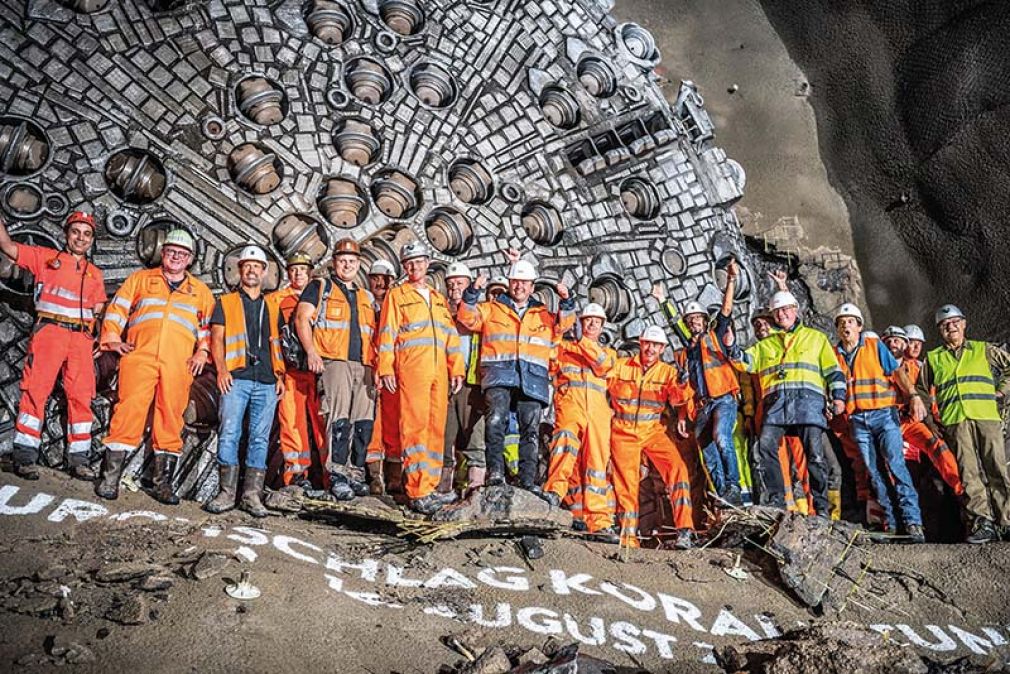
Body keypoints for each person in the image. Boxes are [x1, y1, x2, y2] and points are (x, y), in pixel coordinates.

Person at [96, 229, 214, 503]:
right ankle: (110, 478)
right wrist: (113, 339)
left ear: (190, 259)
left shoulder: (201, 292)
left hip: (178, 363)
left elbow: (206, 328)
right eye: (172, 251)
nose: (176, 257)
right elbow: (117, 309)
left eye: (182, 254)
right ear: (163, 253)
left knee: (171, 417)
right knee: (127, 411)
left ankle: (163, 484)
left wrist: (203, 352)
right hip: (140, 356)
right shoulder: (140, 279)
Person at [0, 211, 106, 480]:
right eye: (76, 232)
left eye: (86, 234)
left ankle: (79, 460)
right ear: (66, 234)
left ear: (91, 240)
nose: (80, 238)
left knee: (81, 397)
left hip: (80, 339)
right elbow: (8, 247)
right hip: (50, 332)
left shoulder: (95, 273)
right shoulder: (45, 258)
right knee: (35, 390)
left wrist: (95, 336)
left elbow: (98, 307)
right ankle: (25, 457)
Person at [457, 255, 575, 491]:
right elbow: (467, 318)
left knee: (529, 431)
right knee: (496, 422)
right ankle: (495, 473)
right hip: (500, 375)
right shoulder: (492, 309)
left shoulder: (543, 314)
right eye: (515, 282)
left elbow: (564, 325)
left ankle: (527, 479)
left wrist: (566, 300)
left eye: (524, 283)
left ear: (532, 287)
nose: (519, 286)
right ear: (510, 283)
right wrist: (473, 291)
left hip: (532, 380)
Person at [731, 290, 846, 515]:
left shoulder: (816, 338)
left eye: (785, 310)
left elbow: (834, 372)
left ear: (795, 310)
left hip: (809, 406)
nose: (782, 314)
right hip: (777, 407)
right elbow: (744, 362)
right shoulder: (765, 345)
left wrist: (839, 398)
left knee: (815, 457)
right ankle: (776, 503)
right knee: (765, 448)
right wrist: (730, 345)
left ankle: (821, 508)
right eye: (777, 312)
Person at [376, 242, 463, 514]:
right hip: (412, 370)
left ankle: (432, 486)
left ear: (428, 263)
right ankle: (417, 489)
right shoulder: (397, 295)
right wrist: (386, 367)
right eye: (409, 263)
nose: (415, 267)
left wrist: (456, 368)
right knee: (414, 428)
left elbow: (451, 337)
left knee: (436, 428)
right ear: (405, 267)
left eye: (419, 261)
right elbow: (387, 333)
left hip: (438, 372)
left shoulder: (438, 299)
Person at [912, 305, 1010, 544]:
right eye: (945, 325)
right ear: (939, 331)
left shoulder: (983, 350)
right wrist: (930, 420)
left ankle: (1006, 521)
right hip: (955, 421)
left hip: (986, 416)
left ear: (964, 324)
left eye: (955, 322)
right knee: (968, 473)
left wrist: (1001, 393)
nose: (951, 327)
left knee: (996, 466)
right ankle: (982, 522)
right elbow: (921, 390)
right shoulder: (933, 358)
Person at [654, 259, 743, 505]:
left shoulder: (714, 337)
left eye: (697, 318)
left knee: (721, 437)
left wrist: (731, 279)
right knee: (708, 452)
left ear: (705, 320)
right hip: (702, 406)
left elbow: (726, 310)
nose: (694, 322)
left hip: (724, 399)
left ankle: (734, 486)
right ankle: (723, 493)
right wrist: (662, 301)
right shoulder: (687, 351)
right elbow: (675, 326)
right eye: (690, 319)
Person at [205, 246, 285, 517]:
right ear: (239, 270)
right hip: (236, 379)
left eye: (256, 266)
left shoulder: (272, 307)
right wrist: (222, 371)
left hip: (266, 381)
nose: (251, 271)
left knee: (260, 438)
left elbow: (278, 344)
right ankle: (226, 493)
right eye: (246, 266)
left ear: (264, 272)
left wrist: (280, 375)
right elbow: (216, 339)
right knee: (229, 433)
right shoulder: (226, 302)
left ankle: (252, 495)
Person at [295, 238, 377, 501]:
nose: (348, 265)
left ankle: (356, 473)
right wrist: (311, 351)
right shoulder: (321, 287)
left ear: (359, 263)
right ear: (334, 263)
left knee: (363, 423)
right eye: (342, 260)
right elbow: (302, 318)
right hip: (335, 362)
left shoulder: (366, 296)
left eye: (352, 261)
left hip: (364, 364)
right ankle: (338, 475)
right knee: (339, 420)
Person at [833, 306, 924, 542]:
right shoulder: (834, 355)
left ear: (859, 326)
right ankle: (891, 524)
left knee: (896, 465)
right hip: (858, 420)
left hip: (884, 415)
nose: (846, 326)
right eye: (842, 323)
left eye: (851, 321)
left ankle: (913, 522)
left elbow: (897, 373)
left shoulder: (874, 347)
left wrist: (913, 397)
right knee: (874, 472)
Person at [609, 326, 695, 549]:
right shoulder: (622, 366)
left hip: (652, 430)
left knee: (678, 469)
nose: (650, 348)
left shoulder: (667, 372)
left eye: (656, 345)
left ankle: (685, 530)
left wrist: (683, 383)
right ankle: (628, 539)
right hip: (623, 431)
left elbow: (678, 399)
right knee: (626, 485)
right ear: (640, 342)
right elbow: (603, 380)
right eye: (647, 343)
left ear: (662, 348)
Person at [542, 303, 619, 542]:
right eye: (588, 320)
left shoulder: (608, 353)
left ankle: (599, 522)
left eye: (597, 321)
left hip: (597, 415)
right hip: (570, 408)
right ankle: (554, 498)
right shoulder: (565, 348)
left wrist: (582, 342)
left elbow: (602, 365)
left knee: (596, 467)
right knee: (563, 452)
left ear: (603, 325)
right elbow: (549, 357)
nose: (593, 324)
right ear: (580, 322)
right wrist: (559, 330)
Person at [267, 252, 327, 488]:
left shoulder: (323, 296)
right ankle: (296, 476)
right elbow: (272, 338)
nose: (298, 273)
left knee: (323, 424)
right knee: (292, 423)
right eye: (294, 269)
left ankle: (329, 475)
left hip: (318, 371)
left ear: (310, 272)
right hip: (292, 372)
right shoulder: (276, 300)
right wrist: (278, 373)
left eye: (303, 269)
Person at [443, 262, 487, 494]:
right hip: (444, 382)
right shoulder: (442, 314)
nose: (454, 289)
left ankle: (475, 490)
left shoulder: (479, 314)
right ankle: (443, 489)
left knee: (474, 438)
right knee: (444, 438)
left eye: (459, 284)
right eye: (450, 285)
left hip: (471, 383)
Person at [363, 258, 397, 495]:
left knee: (394, 425)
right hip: (370, 371)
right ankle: (375, 477)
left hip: (396, 373)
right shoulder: (364, 305)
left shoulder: (398, 306)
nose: (380, 283)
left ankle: (395, 477)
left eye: (385, 279)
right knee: (373, 426)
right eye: (375, 278)